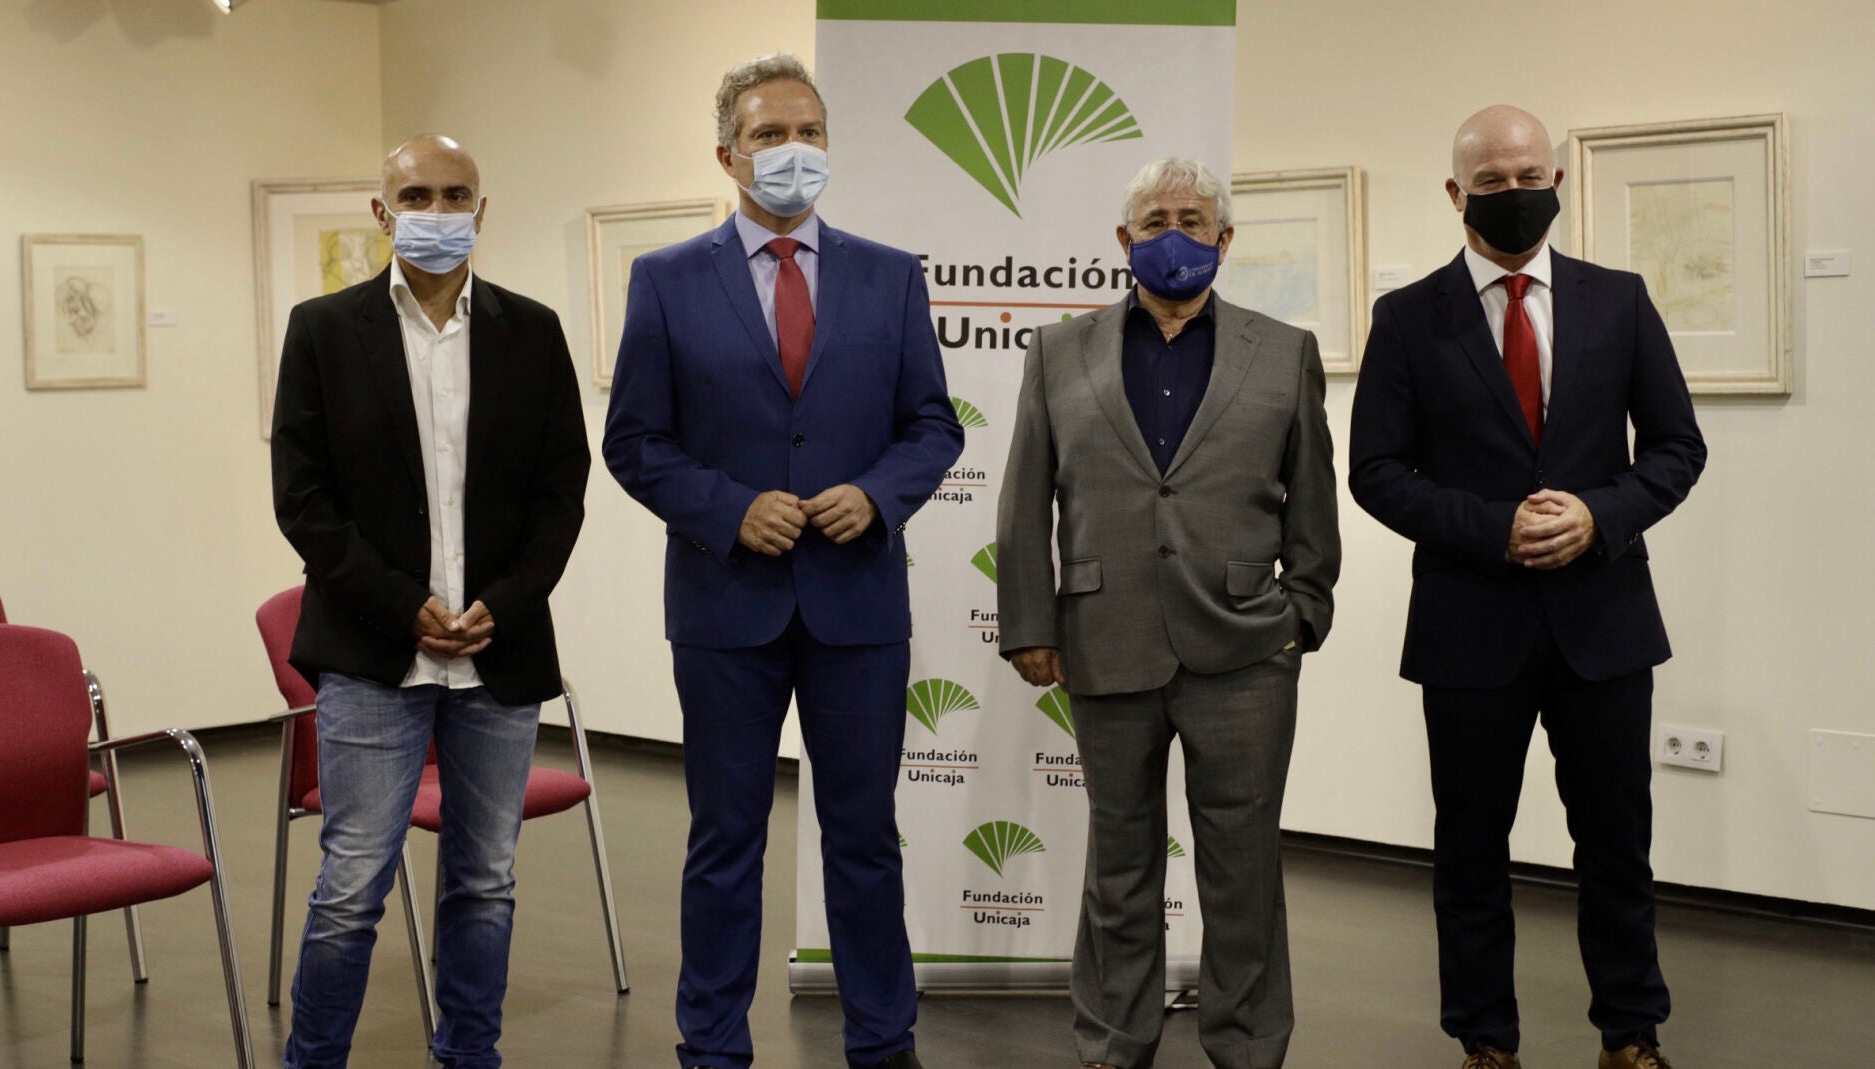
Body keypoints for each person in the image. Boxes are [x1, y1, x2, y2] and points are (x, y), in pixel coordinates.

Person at [601, 52, 963, 1069]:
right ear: (728, 154)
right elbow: (634, 442)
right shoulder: (666, 280)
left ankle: (882, 1040)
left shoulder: (889, 276)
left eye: (808, 132)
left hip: (857, 604)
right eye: (769, 134)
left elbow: (932, 426)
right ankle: (713, 1047)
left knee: (864, 836)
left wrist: (878, 494)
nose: (792, 150)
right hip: (726, 605)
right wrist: (728, 509)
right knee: (725, 841)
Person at [1348, 105, 1707, 1069]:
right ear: (1456, 193)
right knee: (1471, 849)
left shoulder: (1619, 300)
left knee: (1617, 844)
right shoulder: (1406, 318)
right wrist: (1494, 528)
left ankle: (1630, 1034)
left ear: (1557, 180)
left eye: (1529, 176)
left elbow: (1676, 447)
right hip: (1470, 620)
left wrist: (1599, 513)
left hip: (1604, 617)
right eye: (1492, 182)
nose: (1515, 194)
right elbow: (1375, 471)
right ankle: (1485, 1041)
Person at [995, 157, 1340, 1069]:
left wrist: (1304, 611)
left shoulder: (1285, 350)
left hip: (1248, 648)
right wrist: (1029, 623)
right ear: (1124, 238)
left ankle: (1249, 1045)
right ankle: (1116, 1043)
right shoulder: (1058, 352)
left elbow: (1313, 496)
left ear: (1225, 239)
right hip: (1104, 640)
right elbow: (1025, 497)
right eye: (1154, 221)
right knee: (1119, 864)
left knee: (1243, 866)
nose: (1174, 235)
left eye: (1193, 220)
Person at [270, 133, 589, 1069]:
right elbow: (303, 498)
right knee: (351, 888)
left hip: (499, 651)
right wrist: (402, 604)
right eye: (417, 196)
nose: (438, 212)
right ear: (382, 212)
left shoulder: (533, 331)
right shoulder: (323, 329)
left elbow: (561, 493)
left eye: (456, 196)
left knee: (485, 883)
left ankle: (469, 1055)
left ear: (481, 212)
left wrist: (508, 600)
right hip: (372, 652)